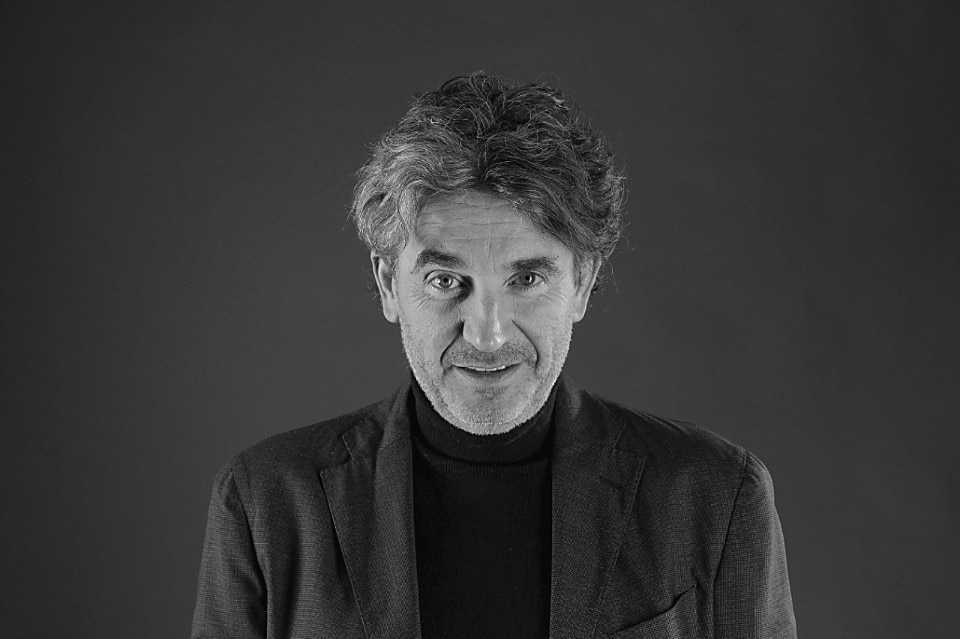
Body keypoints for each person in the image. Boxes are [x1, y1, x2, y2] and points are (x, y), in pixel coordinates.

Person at [191, 73, 797, 639]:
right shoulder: (265, 502)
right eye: (445, 281)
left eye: (526, 280)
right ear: (387, 285)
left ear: (582, 283)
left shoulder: (717, 497)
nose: (487, 335)